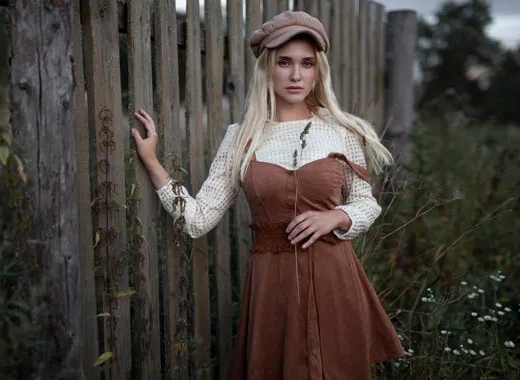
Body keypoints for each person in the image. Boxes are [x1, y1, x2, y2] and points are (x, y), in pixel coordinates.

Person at [132, 10, 404, 380]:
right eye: (285, 63)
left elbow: (365, 203)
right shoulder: (240, 137)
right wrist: (152, 162)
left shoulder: (342, 130)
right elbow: (197, 220)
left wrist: (336, 217)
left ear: (318, 70)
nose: (296, 75)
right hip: (271, 283)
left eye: (306, 63)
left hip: (333, 276)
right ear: (267, 69)